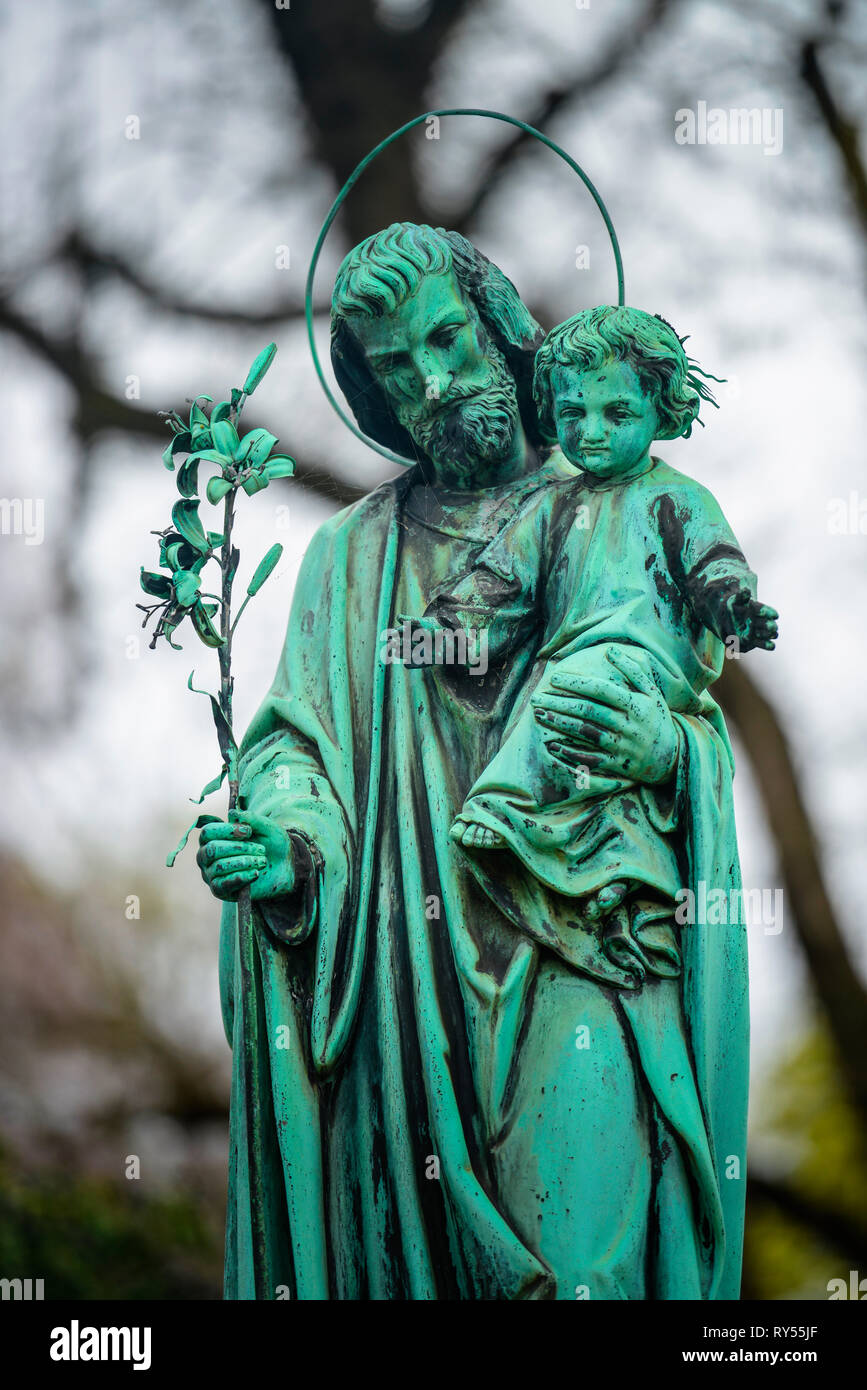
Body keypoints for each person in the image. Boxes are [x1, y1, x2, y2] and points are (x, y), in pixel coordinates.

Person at [195, 226, 747, 1300]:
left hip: (581, 942)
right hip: (401, 982)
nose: (435, 383)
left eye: (448, 337)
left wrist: (667, 751)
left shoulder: (622, 508)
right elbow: (294, 747)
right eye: (397, 366)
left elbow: (694, 716)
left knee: (589, 1264)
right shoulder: (349, 557)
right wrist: (287, 857)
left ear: (501, 326)